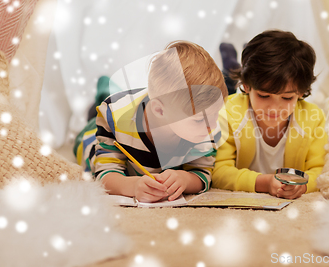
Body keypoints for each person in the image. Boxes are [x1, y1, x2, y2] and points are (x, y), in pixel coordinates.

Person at [75, 41, 228, 203]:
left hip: (140, 105)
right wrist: (133, 186)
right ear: (160, 111)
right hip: (96, 135)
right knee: (91, 123)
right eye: (198, 120)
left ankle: (106, 88)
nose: (212, 126)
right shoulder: (113, 116)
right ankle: (103, 88)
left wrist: (185, 179)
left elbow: (202, 174)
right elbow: (104, 175)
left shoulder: (205, 124)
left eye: (216, 114)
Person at [212, 30, 327, 199]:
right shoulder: (227, 112)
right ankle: (230, 63)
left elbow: (320, 171)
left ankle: (233, 63)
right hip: (237, 98)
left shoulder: (314, 117)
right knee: (225, 84)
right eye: (264, 96)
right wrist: (264, 182)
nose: (274, 108)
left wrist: (303, 186)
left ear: (301, 92)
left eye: (287, 98)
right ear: (246, 86)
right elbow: (218, 172)